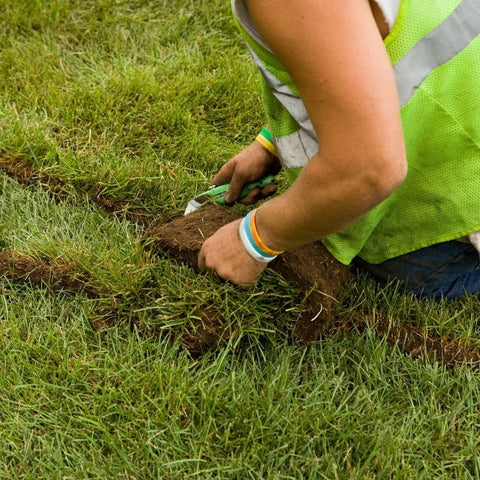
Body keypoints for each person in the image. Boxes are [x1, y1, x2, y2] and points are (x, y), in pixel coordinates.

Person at [198, 0, 480, 299]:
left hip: (462, 193)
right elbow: (357, 59)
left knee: (403, 268)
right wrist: (270, 144)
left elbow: (369, 169)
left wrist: (253, 239)